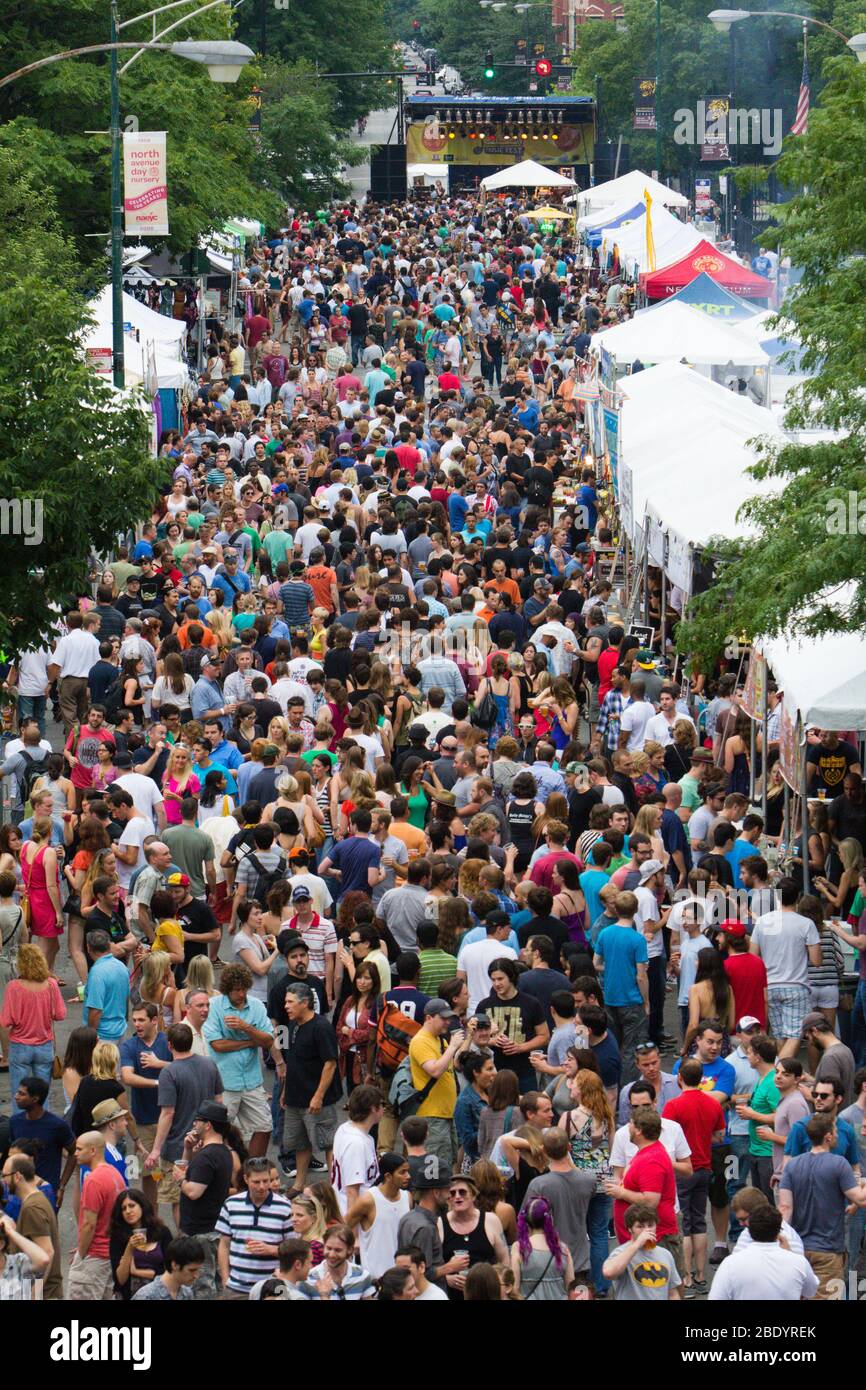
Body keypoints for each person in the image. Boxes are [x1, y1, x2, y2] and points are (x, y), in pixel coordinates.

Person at [778, 1113, 866, 1299]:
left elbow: (785, 1208)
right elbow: (861, 1199)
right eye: (835, 1132)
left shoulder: (792, 1165)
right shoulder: (839, 1164)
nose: (837, 1136)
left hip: (797, 1250)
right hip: (828, 1252)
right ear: (828, 1136)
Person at [145, 1023, 223, 1220]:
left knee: (179, 1199)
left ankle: (186, 1240)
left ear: (169, 1045)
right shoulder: (209, 1064)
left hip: (177, 1150)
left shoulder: (169, 1073)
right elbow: (219, 1102)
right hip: (206, 1143)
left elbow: (167, 1113)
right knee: (207, 1194)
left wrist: (155, 1149)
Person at [662, 1058, 725, 1296]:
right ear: (702, 1079)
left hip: (681, 1169)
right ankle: (701, 1275)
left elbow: (666, 1140)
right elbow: (719, 1135)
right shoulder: (713, 1105)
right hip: (704, 1167)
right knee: (699, 1220)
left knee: (684, 1224)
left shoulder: (673, 1106)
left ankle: (686, 1276)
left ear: (679, 1078)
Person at [203, 962, 275, 1157]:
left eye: (244, 989)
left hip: (252, 1082)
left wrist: (246, 1028)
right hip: (225, 1084)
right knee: (220, 1133)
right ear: (227, 989)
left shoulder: (257, 1006)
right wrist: (250, 1042)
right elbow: (217, 1044)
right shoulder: (215, 1007)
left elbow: (268, 1040)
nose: (241, 994)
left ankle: (252, 1169)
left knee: (264, 1126)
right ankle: (228, 1174)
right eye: (236, 990)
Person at [280, 980, 342, 1194]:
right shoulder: (293, 1024)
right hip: (295, 1097)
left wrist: (318, 1096)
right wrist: (286, 1090)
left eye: (290, 1002)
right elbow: (293, 1061)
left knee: (328, 1142)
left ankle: (336, 1187)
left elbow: (330, 1063)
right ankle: (299, 1184)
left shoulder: (321, 1027)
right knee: (300, 1143)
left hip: (317, 1099)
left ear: (305, 1002)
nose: (286, 1006)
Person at [604, 1106, 681, 1276]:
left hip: (654, 1237)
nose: (627, 1127)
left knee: (658, 1286)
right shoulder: (647, 1152)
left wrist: (621, 1193)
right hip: (645, 1236)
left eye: (630, 1124)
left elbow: (650, 1201)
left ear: (639, 1130)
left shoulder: (651, 1159)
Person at [750, 876, 821, 1057]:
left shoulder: (763, 921)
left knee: (780, 1034)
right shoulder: (806, 924)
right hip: (796, 985)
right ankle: (780, 1072)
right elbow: (816, 960)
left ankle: (780, 1076)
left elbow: (753, 956)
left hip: (770, 985)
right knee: (795, 1034)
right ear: (798, 897)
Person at [174, 1100, 235, 1300]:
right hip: (214, 1228)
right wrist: (188, 1150)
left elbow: (193, 1191)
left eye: (197, 1121)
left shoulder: (207, 1157)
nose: (194, 1125)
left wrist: (180, 1179)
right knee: (216, 1281)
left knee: (202, 1285)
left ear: (207, 1125)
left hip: (201, 1232)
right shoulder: (223, 1152)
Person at [215, 1155, 295, 1298]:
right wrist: (225, 1278)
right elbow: (224, 1245)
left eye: (266, 1181)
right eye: (256, 1182)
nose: (262, 1187)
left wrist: (271, 1250)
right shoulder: (231, 1204)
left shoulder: (285, 1207)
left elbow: (294, 1249)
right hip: (236, 1288)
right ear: (246, 1179)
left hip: (271, 1290)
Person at [407, 998, 473, 1168]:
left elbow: (455, 1064)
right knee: (435, 1167)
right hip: (432, 1115)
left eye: (449, 1018)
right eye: (443, 1018)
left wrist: (469, 1037)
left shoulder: (439, 1040)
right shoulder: (421, 1041)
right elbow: (435, 1070)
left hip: (446, 1113)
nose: (448, 1022)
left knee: (448, 1163)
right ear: (429, 1018)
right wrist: (452, 1047)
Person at [708, 1204, 819, 1302]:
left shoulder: (730, 1264)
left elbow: (716, 1297)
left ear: (750, 1231)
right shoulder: (799, 1262)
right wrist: (790, 1254)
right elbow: (811, 1290)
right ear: (778, 1231)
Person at [593, 891, 650, 1080]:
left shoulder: (605, 933)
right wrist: (647, 1001)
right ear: (636, 910)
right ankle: (629, 1090)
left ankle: (613, 1086)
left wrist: (612, 969)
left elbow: (596, 964)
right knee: (632, 1048)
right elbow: (641, 976)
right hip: (632, 999)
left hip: (610, 998)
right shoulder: (637, 939)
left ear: (616, 909)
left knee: (614, 1044)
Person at [68, 1129, 128, 1300]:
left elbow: (89, 1224)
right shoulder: (114, 1174)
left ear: (93, 1150)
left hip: (93, 1257)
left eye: (79, 1149)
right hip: (110, 1255)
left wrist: (81, 1253)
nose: (75, 1154)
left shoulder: (93, 1180)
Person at [0, 943, 66, 1096]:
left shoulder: (13, 987)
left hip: (20, 1046)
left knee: (20, 1095)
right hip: (44, 1044)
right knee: (42, 1096)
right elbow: (60, 1014)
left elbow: (6, 1021)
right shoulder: (51, 985)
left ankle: (21, 1120)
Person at [477, 957, 549, 1091]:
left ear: (511, 977)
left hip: (524, 1071)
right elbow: (475, 1039)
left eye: (500, 979)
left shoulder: (531, 1003)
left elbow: (544, 1036)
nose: (496, 984)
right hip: (494, 1072)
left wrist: (521, 1047)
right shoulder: (484, 1005)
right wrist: (491, 1041)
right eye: (493, 980)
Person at [0, 1152, 63, 1300]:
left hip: (45, 1293)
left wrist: (35, 1295)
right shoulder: (35, 1201)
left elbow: (47, 1253)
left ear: (17, 1176)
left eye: (5, 1175)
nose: (4, 1181)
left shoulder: (32, 1207)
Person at [437, 1172, 508, 1300]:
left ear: (474, 1196)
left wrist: (494, 1282)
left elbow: (504, 1260)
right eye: (452, 1193)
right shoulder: (440, 1224)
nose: (457, 1197)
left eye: (462, 1192)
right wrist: (446, 1278)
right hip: (452, 1294)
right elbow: (430, 1267)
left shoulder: (491, 1220)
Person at [345, 1150, 411, 1276]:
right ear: (388, 1176)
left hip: (402, 1277)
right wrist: (354, 1241)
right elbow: (344, 1226)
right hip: (375, 1279)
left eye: (407, 1171)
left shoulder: (407, 1197)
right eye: (402, 1172)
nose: (408, 1176)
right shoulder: (368, 1200)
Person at [603, 1201, 683, 1301]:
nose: (646, 1230)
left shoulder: (665, 1254)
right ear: (630, 1229)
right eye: (640, 1226)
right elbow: (609, 1273)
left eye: (650, 1225)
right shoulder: (621, 1252)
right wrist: (637, 1244)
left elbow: (673, 1293)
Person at [511, 1194, 574, 1300]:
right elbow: (571, 1286)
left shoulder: (519, 1248)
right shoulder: (562, 1249)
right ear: (549, 1220)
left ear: (526, 1221)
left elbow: (515, 1289)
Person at [298, 1222, 376, 1300]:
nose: (332, 1255)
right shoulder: (308, 1279)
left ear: (350, 1250)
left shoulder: (362, 1276)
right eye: (328, 1248)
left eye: (338, 1250)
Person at [131, 1235, 205, 1301]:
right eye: (192, 1270)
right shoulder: (146, 1296)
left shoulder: (187, 1293)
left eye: (199, 1270)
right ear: (175, 1265)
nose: (196, 1276)